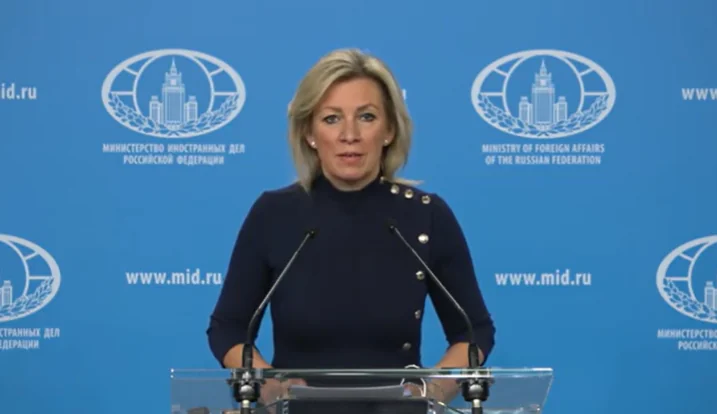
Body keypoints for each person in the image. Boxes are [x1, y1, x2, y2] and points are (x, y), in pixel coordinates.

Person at [206, 48, 496, 407]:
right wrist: (271, 388)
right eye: (331, 119)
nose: (349, 134)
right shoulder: (273, 213)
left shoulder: (426, 216)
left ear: (389, 130)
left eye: (366, 117)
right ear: (309, 132)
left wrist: (431, 394)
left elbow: (474, 331)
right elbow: (228, 328)